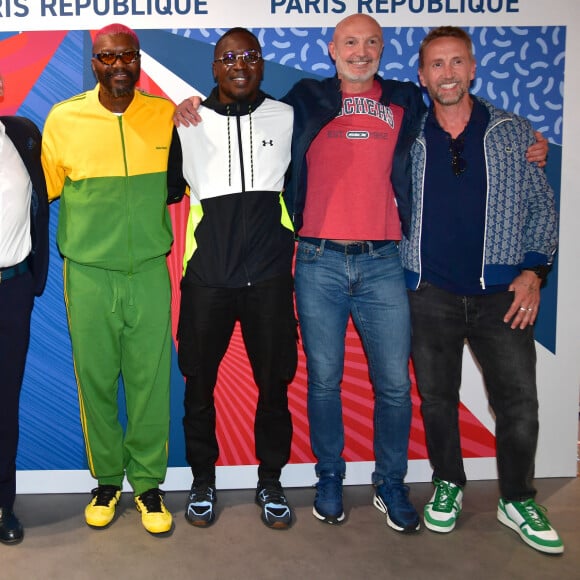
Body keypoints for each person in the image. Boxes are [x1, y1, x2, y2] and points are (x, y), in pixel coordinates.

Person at [174, 15, 547, 533]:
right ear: (332, 49)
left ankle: (388, 484)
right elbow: (221, 120)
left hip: (383, 263)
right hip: (317, 261)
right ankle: (327, 478)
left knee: (394, 385)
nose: (361, 51)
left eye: (372, 42)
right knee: (322, 382)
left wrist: (525, 142)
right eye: (350, 42)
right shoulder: (303, 99)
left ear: (383, 51)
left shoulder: (403, 100)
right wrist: (187, 104)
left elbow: (455, 117)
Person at [401, 26, 563, 554]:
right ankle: (448, 482)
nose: (446, 73)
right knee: (437, 399)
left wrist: (533, 272)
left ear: (472, 69)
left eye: (456, 62)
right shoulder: (409, 134)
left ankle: (517, 497)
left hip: (502, 294)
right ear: (422, 76)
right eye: (436, 65)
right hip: (429, 292)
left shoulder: (516, 133)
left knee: (519, 403)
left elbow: (542, 209)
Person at [41, 23, 178, 536]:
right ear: (93, 62)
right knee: (95, 380)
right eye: (106, 56)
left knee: (149, 382)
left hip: (148, 270)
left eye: (127, 55)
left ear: (138, 60)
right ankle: (106, 480)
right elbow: (41, 195)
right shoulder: (64, 118)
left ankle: (147, 485)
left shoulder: (165, 116)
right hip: (89, 273)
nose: (118, 64)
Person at [167, 27, 297, 530]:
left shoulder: (286, 116)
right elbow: (166, 190)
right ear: (214, 67)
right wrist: (175, 110)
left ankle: (270, 481)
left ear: (261, 64)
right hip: (208, 282)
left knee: (274, 386)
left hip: (267, 281)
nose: (238, 64)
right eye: (227, 57)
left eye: (248, 56)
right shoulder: (186, 122)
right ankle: (203, 481)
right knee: (198, 385)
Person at [0, 74, 49, 545]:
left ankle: (3, 506)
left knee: (4, 406)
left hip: (11, 289)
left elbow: (40, 202)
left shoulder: (20, 133)